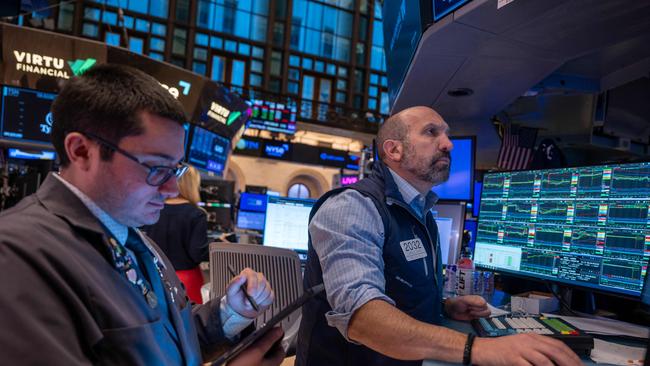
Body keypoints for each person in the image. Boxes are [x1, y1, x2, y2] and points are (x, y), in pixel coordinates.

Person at [0, 64, 283, 366]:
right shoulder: (18, 255)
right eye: (157, 168)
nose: (172, 188)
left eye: (175, 169)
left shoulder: (133, 237)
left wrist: (231, 312)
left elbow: (168, 341)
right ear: (81, 151)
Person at [296, 106, 582, 366]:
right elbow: (363, 318)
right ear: (394, 150)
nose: (448, 144)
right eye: (431, 133)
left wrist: (444, 306)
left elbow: (398, 288)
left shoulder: (421, 211)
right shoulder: (353, 206)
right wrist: (478, 348)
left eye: (447, 135)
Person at [142, 165, 209, 304]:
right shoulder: (196, 214)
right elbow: (197, 252)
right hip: (187, 280)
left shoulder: (154, 209)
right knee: (189, 320)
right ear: (192, 185)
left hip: (156, 275)